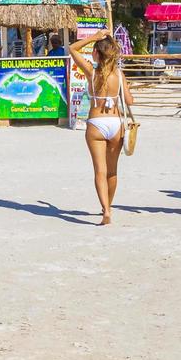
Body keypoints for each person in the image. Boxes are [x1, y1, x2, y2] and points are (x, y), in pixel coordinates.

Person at [69, 28, 133, 225]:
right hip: (116, 123)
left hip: (96, 123)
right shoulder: (119, 75)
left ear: (97, 53)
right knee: (112, 171)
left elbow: (72, 49)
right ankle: (109, 207)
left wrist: (94, 37)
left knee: (100, 171)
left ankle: (105, 210)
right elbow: (130, 101)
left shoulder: (92, 71)